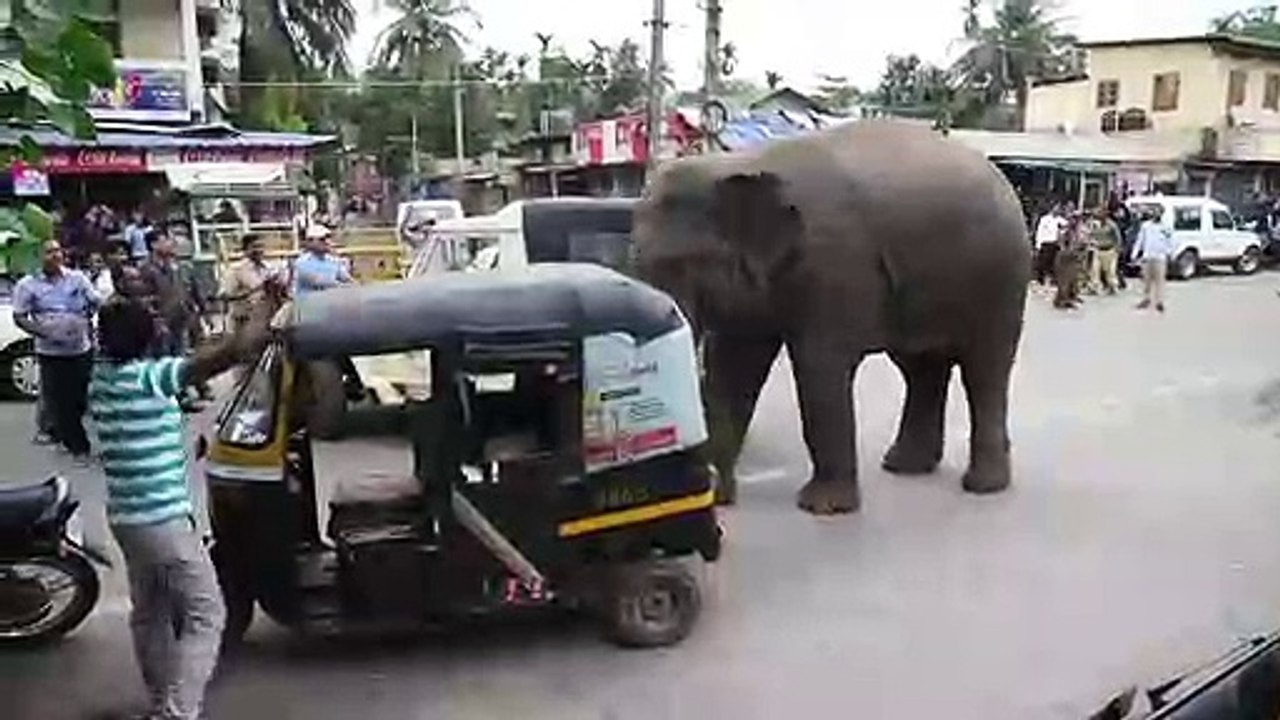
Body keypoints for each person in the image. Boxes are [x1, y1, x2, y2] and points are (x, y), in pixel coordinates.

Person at [90, 278, 283, 720]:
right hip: (164, 524)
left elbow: (140, 435)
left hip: (127, 520)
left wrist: (182, 450)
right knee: (207, 615)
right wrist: (267, 304)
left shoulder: (101, 380)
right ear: (145, 339)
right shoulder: (152, 378)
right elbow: (233, 351)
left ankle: (162, 704)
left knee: (150, 615)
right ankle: (178, 713)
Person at [11, 240, 99, 460]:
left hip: (80, 348)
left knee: (80, 398)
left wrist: (86, 319)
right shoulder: (27, 285)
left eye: (58, 250)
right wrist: (42, 331)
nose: (55, 255)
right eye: (49, 252)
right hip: (51, 352)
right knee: (61, 400)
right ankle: (79, 448)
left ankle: (64, 434)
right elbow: (19, 316)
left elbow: (95, 301)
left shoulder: (77, 279)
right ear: (39, 257)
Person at [138, 228, 207, 358]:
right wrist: (156, 319)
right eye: (166, 240)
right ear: (154, 245)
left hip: (180, 319)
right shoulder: (145, 268)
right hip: (160, 322)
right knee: (162, 358)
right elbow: (145, 298)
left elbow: (186, 289)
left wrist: (197, 310)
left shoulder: (177, 265)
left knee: (180, 358)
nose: (171, 244)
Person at [220, 233, 278, 332]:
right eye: (254, 247)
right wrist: (256, 289)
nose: (259, 250)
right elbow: (225, 296)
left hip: (266, 320)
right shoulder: (236, 270)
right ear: (245, 249)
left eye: (261, 246)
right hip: (243, 322)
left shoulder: (269, 268)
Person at [1132, 207, 1175, 313]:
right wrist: (1135, 254)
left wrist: (1169, 253)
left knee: (1160, 281)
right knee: (1146, 280)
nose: (1156, 215)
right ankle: (1146, 299)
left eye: (1158, 213)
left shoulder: (1166, 227)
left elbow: (1170, 241)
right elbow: (1140, 240)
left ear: (1162, 214)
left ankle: (1159, 302)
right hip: (1147, 256)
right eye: (1154, 213)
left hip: (1160, 257)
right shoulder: (1146, 226)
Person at [292, 224, 353, 296]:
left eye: (329, 238)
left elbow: (349, 280)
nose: (327, 242)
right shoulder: (302, 263)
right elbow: (324, 282)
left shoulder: (334, 261)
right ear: (310, 242)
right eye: (322, 239)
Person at [1053, 211, 1087, 310]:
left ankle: (1070, 297)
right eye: (1074, 219)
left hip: (1074, 257)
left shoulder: (1079, 231)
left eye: (1077, 219)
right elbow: (1061, 244)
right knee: (1064, 280)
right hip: (1064, 258)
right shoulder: (1065, 231)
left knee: (1073, 279)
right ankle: (1062, 300)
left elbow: (1082, 243)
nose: (1076, 221)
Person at [1088, 205, 1123, 295]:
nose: (1098, 215)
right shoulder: (1095, 225)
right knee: (1095, 270)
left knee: (1110, 271)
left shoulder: (1111, 225)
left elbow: (1118, 237)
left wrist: (1117, 248)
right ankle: (1094, 287)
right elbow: (1090, 235)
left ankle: (1112, 287)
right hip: (1098, 250)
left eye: (1100, 213)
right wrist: (1092, 242)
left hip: (1110, 250)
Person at [1033, 203, 1066, 285]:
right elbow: (1040, 231)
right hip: (1045, 242)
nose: (1058, 210)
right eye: (1056, 208)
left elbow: (1066, 225)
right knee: (1043, 261)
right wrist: (1038, 243)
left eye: (1059, 208)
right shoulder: (1045, 219)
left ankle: (1050, 279)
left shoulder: (1059, 220)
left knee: (1052, 262)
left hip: (1054, 243)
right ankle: (1040, 279)